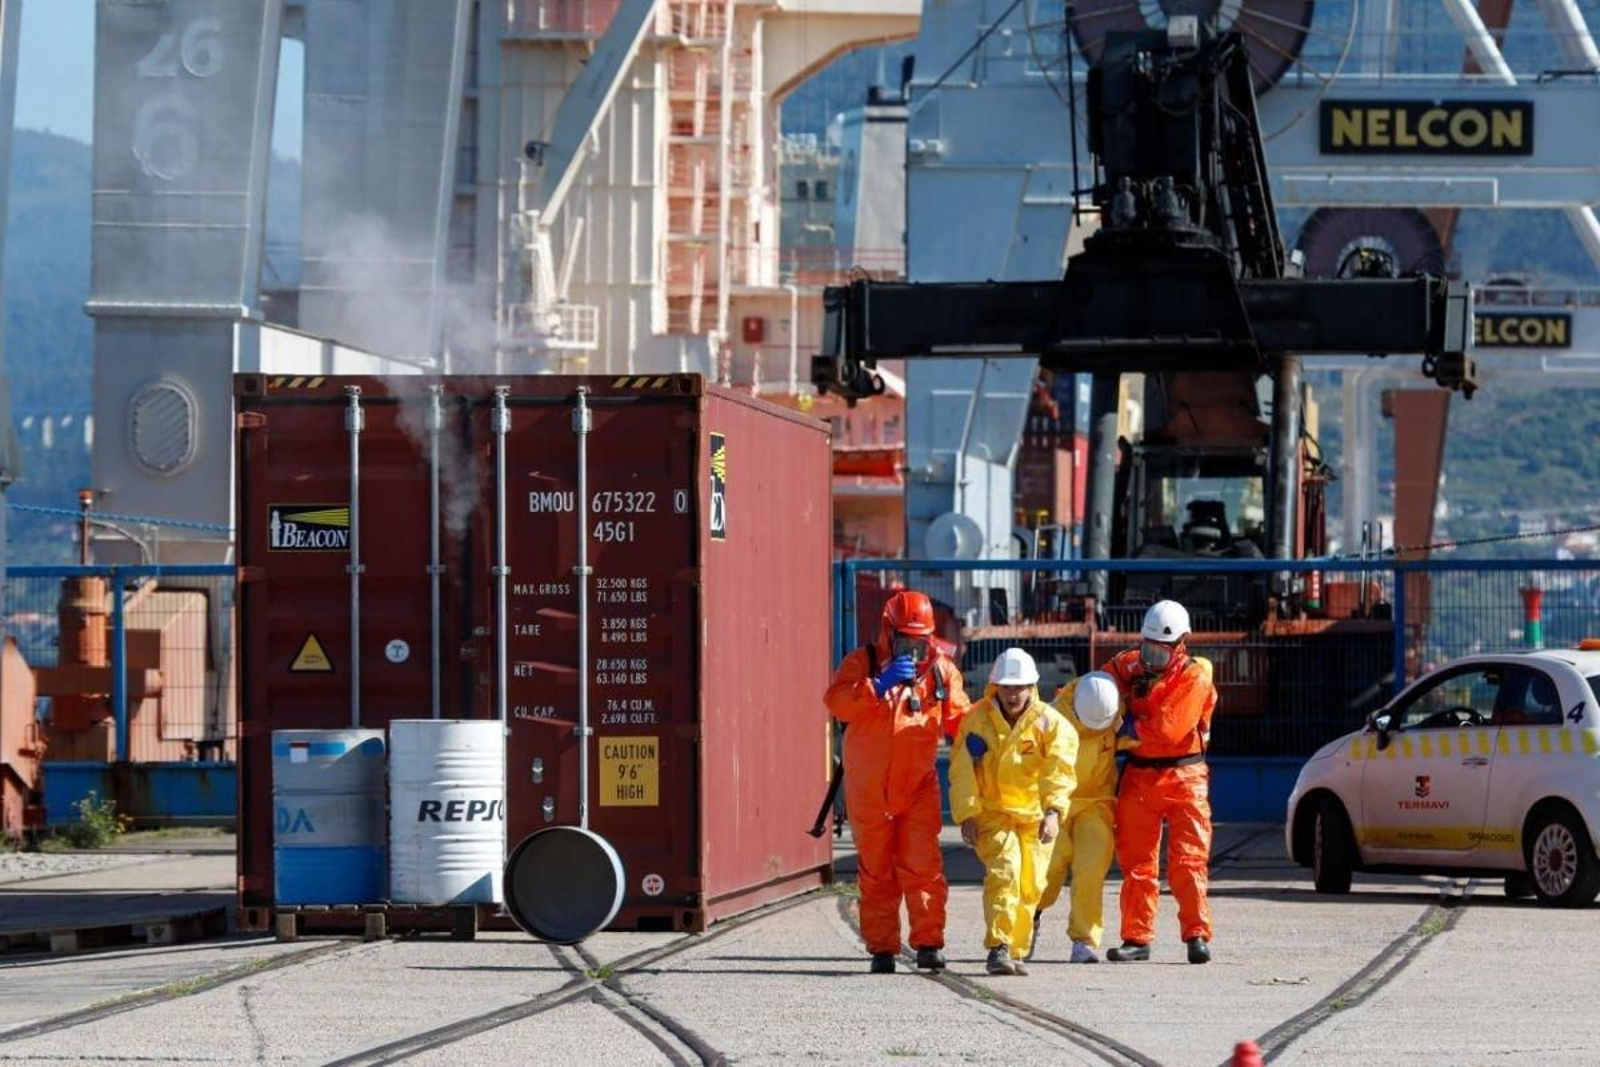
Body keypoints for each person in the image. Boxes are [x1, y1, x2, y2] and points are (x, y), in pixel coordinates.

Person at [824, 590, 970, 974]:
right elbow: (837, 702)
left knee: (924, 867)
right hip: (869, 791)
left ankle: (928, 943)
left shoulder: (941, 671)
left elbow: (962, 721)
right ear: (888, 633)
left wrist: (988, 739)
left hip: (918, 787)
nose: (913, 650)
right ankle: (882, 948)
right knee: (876, 871)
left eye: (919, 642)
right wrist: (878, 685)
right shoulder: (863, 663)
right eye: (905, 640)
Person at [1101, 599, 1218, 964]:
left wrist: (1120, 727)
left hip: (1185, 774)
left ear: (1181, 645)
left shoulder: (1194, 677)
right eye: (1147, 648)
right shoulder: (1129, 664)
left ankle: (1196, 935)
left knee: (1188, 861)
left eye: (1160, 652)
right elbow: (1100, 684)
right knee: (1136, 863)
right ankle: (1137, 938)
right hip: (1140, 775)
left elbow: (1167, 730)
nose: (1151, 659)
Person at [948, 648, 1075, 976]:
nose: (1013, 693)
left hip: (1034, 817)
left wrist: (1053, 812)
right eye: (1006, 686)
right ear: (995, 687)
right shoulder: (977, 721)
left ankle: (1015, 949)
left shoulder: (1050, 723)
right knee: (1006, 871)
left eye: (1019, 686)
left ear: (1032, 686)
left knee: (1032, 883)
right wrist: (968, 815)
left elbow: (1058, 770)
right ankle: (999, 946)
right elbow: (962, 771)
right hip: (994, 814)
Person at [1035, 670, 1123, 964]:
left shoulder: (1114, 709)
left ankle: (1084, 940)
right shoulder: (1048, 719)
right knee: (1052, 864)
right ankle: (1032, 913)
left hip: (1096, 802)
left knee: (1091, 867)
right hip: (1055, 801)